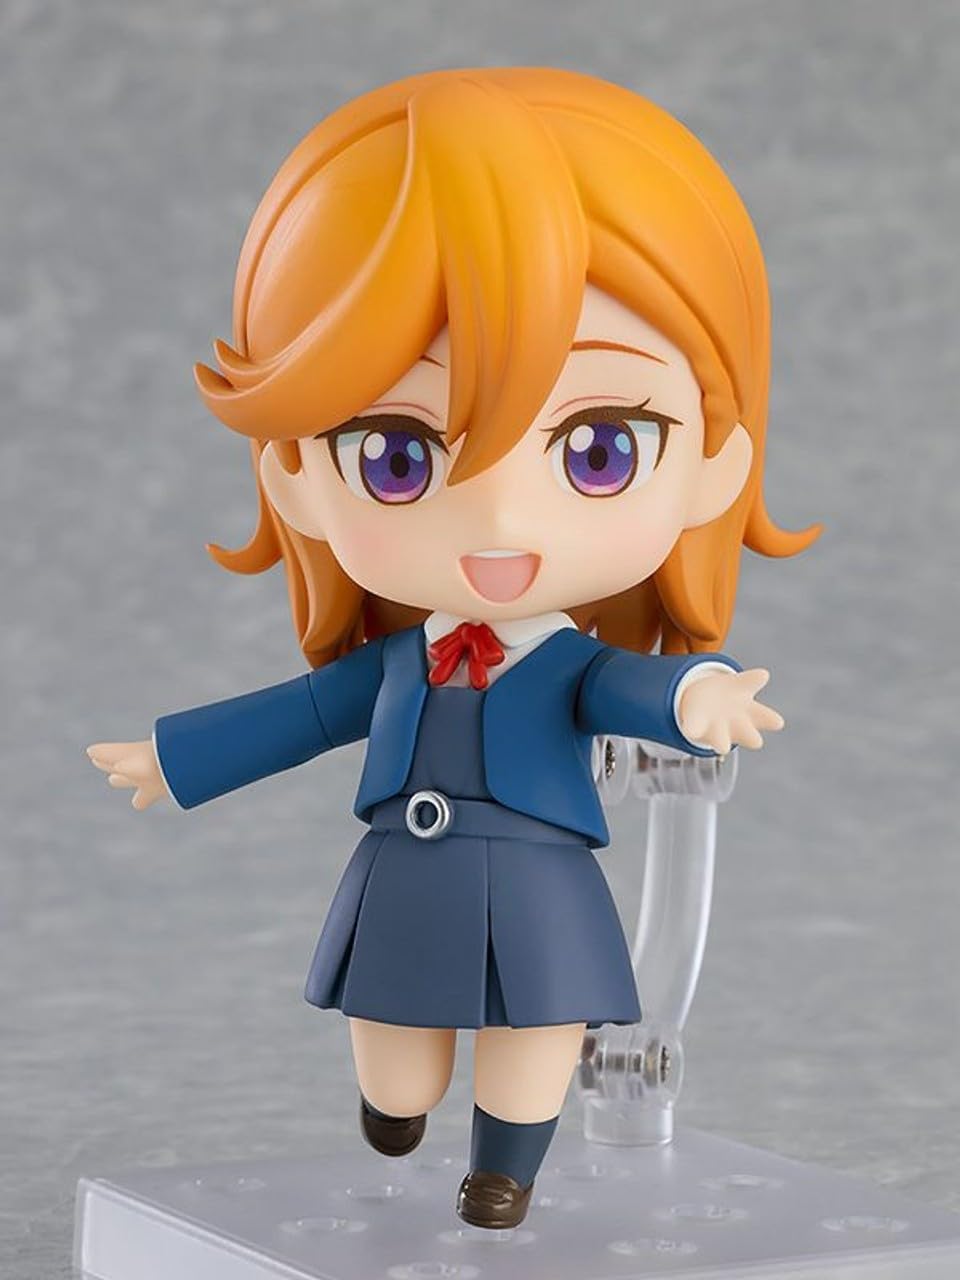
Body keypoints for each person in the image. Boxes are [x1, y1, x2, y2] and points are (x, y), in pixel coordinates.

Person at [87, 67, 818, 1230]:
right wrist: (176, 759)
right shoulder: (397, 665)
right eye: (398, 455)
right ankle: (393, 1111)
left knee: (540, 1029)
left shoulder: (571, 667)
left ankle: (505, 1170)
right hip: (404, 879)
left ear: (713, 465)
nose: (500, 523)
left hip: (542, 883)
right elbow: (299, 714)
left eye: (598, 449)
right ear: (298, 476)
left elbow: (640, 688)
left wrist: (702, 696)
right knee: (394, 1051)